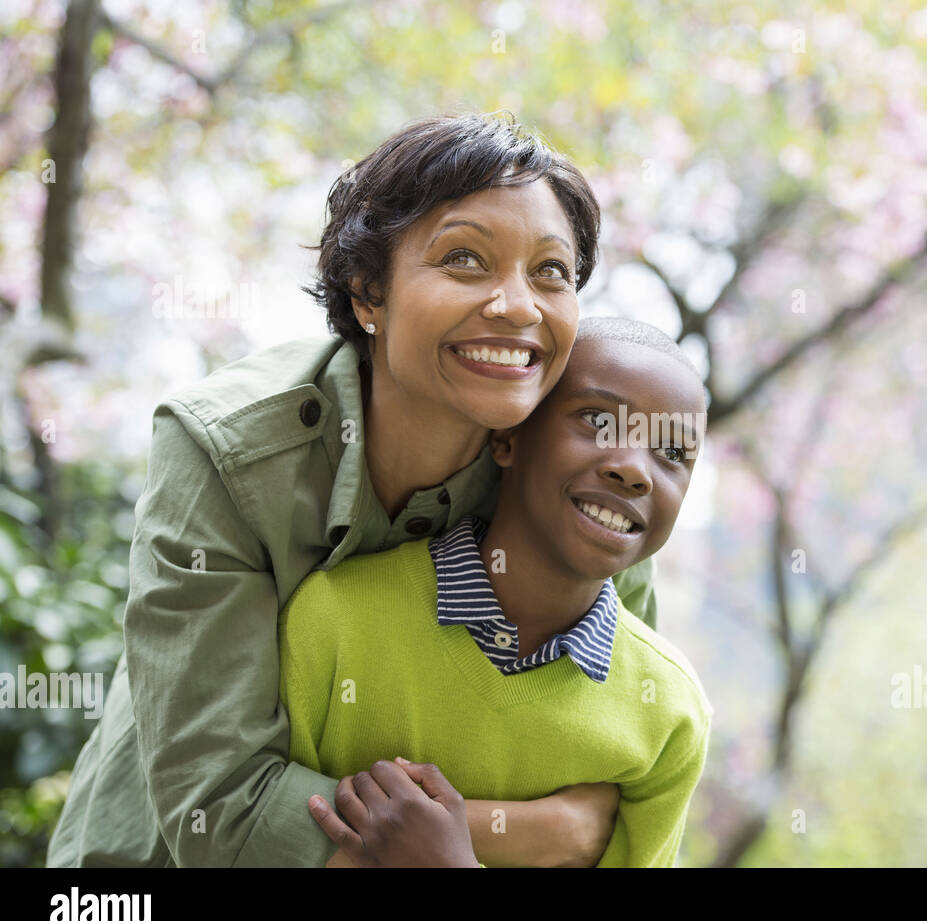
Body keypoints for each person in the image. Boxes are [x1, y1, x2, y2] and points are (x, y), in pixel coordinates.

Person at [47, 113, 656, 868]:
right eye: (464, 259)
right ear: (369, 291)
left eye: (551, 271)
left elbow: (621, 769)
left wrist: (449, 842)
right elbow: (223, 805)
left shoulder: (585, 477)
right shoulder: (226, 452)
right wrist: (534, 834)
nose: (518, 305)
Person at [279, 319, 712, 867]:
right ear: (508, 437)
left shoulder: (669, 715)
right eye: (599, 421)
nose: (633, 470)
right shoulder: (333, 620)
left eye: (673, 452)